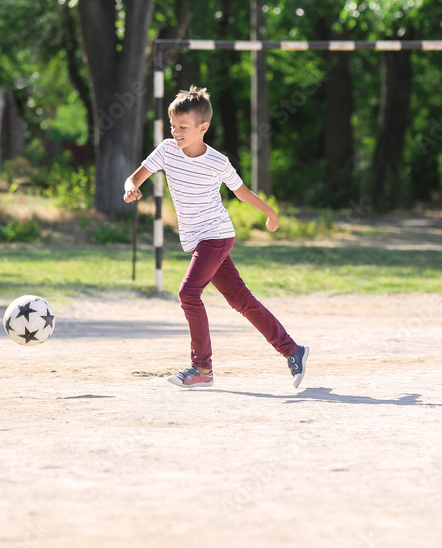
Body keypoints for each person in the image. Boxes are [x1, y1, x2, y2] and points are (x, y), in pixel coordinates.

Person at [123, 85, 310, 389]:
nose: (176, 131)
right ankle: (293, 350)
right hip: (199, 241)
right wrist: (130, 187)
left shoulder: (217, 161)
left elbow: (241, 192)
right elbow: (136, 176)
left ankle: (202, 367)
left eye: (183, 127)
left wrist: (270, 213)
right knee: (242, 301)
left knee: (188, 293)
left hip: (217, 236)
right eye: (173, 126)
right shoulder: (167, 151)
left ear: (203, 127)